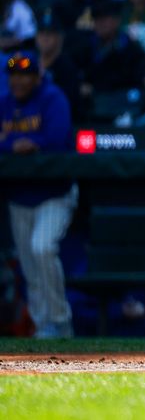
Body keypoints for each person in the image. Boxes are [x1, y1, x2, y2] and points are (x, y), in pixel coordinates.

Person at [0, 52, 76, 338]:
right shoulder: (5, 103)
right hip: (19, 197)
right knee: (31, 268)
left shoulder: (52, 98)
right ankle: (42, 324)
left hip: (54, 193)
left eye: (24, 75)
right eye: (13, 75)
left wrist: (27, 143)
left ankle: (59, 322)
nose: (18, 80)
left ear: (36, 77)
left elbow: (57, 138)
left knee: (42, 247)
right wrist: (15, 145)